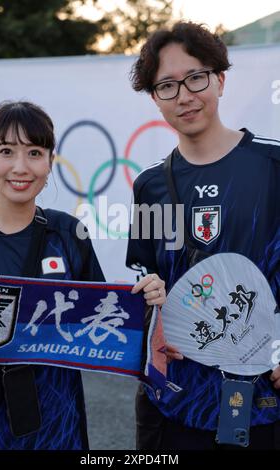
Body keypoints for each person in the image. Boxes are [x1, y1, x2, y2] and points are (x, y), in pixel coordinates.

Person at [126, 21, 280, 450]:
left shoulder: (272, 166)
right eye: (167, 86)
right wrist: (148, 304)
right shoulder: (150, 186)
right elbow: (147, 274)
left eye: (196, 77)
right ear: (155, 98)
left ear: (220, 80)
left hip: (266, 398)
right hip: (176, 402)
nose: (185, 96)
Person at [0, 100, 166, 450]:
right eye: (6, 151)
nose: (21, 167)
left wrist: (149, 301)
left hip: (57, 426)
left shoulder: (67, 232)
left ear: (50, 162)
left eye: (35, 152)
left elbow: (106, 324)